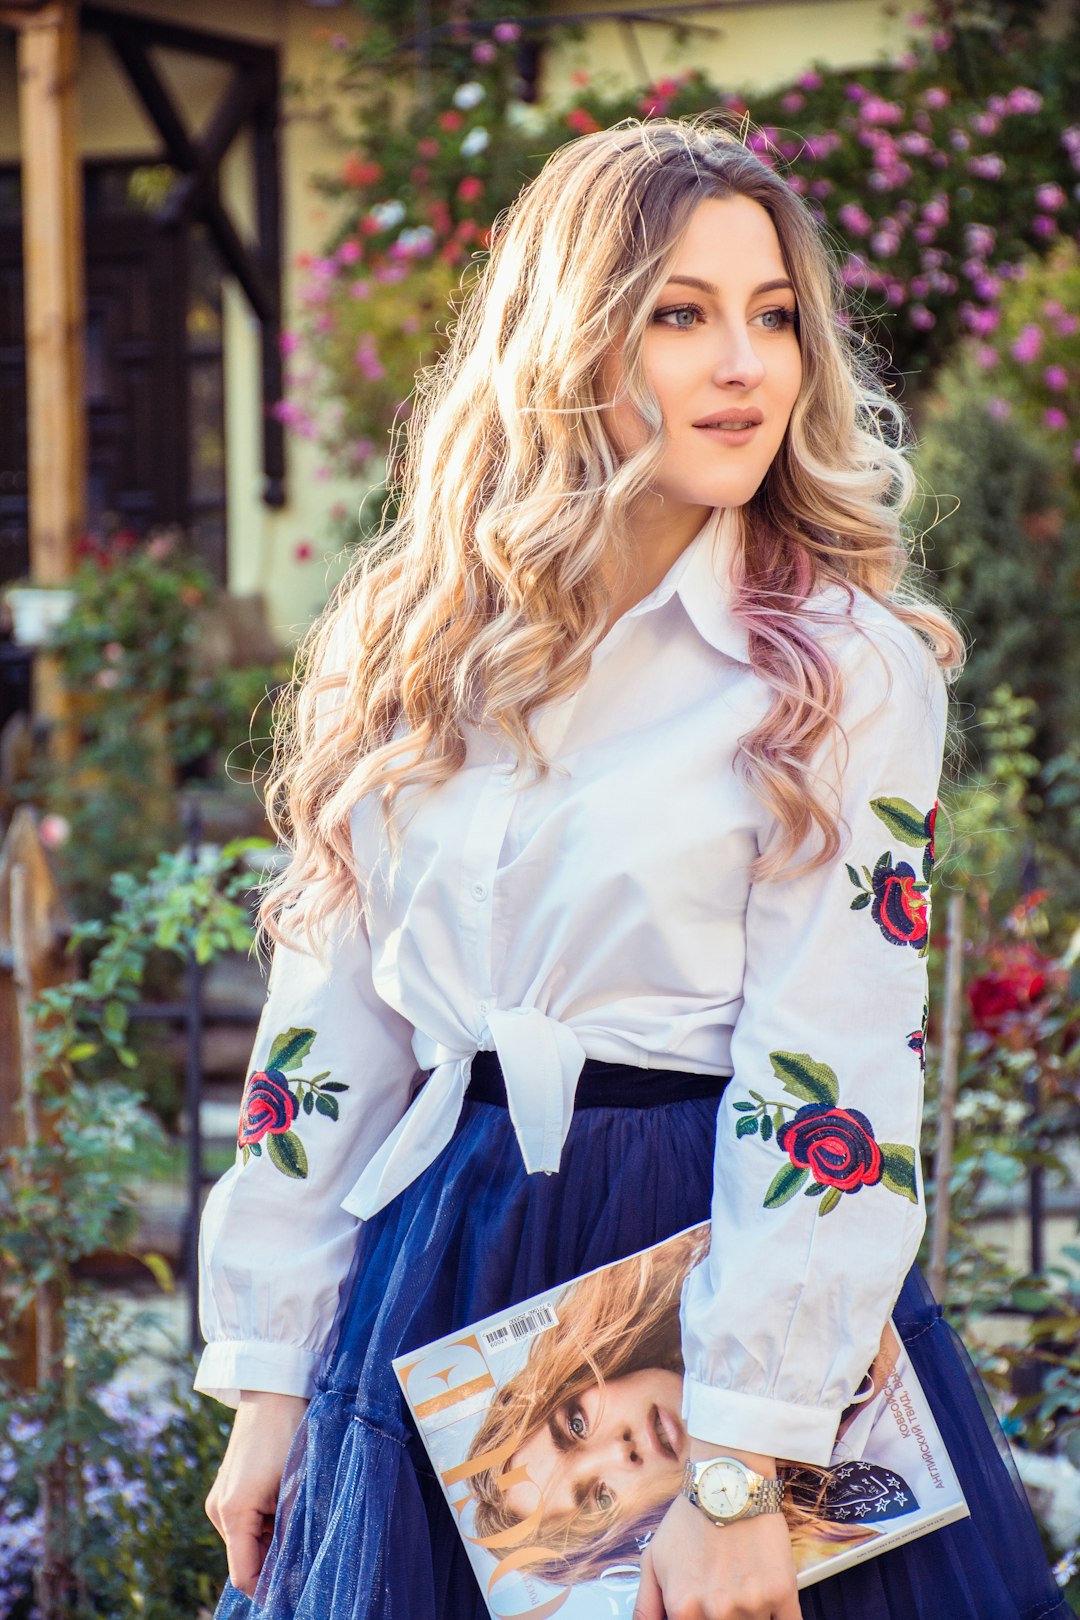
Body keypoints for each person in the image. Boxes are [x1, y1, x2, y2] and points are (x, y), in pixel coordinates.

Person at [197, 118, 1069, 1620]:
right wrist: (270, 1375)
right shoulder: (405, 652)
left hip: (715, 1274)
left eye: (774, 315)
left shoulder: (838, 670)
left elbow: (836, 1069)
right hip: (438, 1276)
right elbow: (324, 1028)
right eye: (682, 314)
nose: (745, 363)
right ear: (570, 340)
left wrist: (737, 1468)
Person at [463, 1225, 883, 1589]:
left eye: (575, 1424)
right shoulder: (843, 1524)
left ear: (581, 1378)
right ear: (633, 1535)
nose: (619, 1451)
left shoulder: (701, 1260)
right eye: (600, 1499)